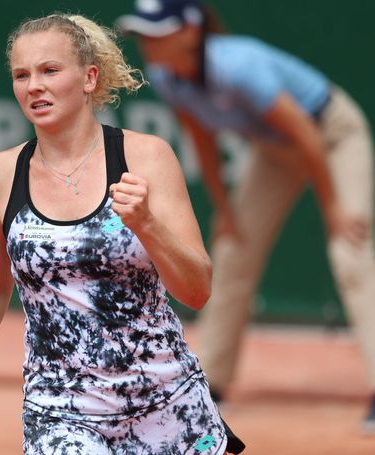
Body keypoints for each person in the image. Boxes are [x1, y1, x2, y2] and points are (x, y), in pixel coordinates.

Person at [0, 12, 245, 454]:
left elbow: (197, 290)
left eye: (50, 71)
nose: (34, 86)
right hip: (60, 412)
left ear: (89, 78)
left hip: (169, 408)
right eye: (21, 75)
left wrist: (147, 224)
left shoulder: (147, 157)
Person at [117, 0, 375, 433]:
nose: (148, 44)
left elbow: (309, 136)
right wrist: (225, 211)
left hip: (331, 137)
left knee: (352, 253)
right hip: (274, 152)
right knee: (231, 252)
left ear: (190, 32)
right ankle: (210, 383)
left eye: (157, 33)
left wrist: (334, 210)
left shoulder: (238, 67)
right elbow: (202, 140)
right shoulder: (166, 77)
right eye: (143, 34)